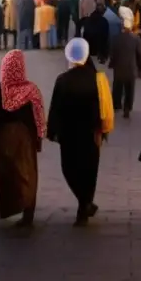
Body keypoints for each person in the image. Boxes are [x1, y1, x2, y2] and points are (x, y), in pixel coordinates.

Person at [47, 39, 111, 226]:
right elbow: (104, 107)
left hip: (69, 134)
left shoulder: (63, 79)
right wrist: (102, 130)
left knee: (69, 169)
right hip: (91, 133)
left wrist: (53, 131)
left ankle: (84, 204)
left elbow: (55, 108)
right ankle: (86, 203)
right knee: (89, 170)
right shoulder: (98, 79)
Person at [0, 50, 44, 227]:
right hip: (26, 139)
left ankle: (12, 207)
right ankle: (28, 210)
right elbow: (38, 117)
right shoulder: (31, 90)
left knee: (8, 174)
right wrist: (39, 139)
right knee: (27, 175)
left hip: (3, 138)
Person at [108, 12, 141, 118]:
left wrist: (112, 63)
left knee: (117, 86)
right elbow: (139, 55)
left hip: (119, 68)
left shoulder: (116, 38)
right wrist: (140, 68)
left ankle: (116, 105)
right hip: (131, 68)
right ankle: (127, 108)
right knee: (130, 89)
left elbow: (113, 53)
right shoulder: (136, 39)